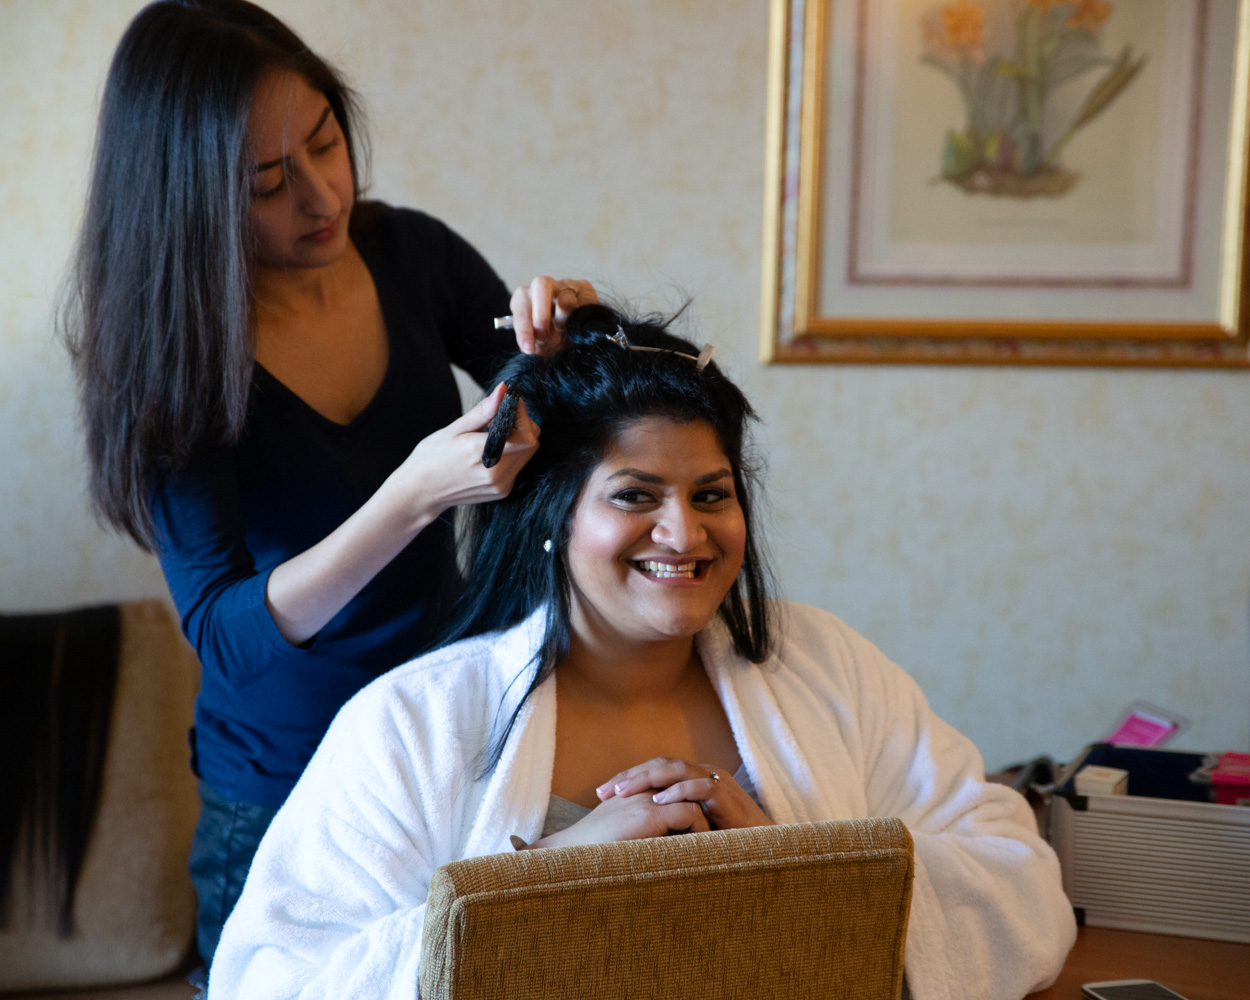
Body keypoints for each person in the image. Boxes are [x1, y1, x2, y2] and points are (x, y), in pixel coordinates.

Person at [208, 305, 1077, 1000]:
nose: (683, 533)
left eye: (712, 495)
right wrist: (543, 883)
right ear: (554, 516)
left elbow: (1019, 881)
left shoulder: (826, 665)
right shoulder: (414, 723)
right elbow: (272, 979)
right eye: (635, 495)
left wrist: (798, 868)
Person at [61, 0, 595, 964]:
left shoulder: (412, 255)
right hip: (281, 791)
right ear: (188, 198)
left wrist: (567, 340)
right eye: (266, 181)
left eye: (325, 141)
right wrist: (409, 498)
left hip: (446, 755)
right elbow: (226, 635)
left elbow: (545, 402)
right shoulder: (176, 357)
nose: (321, 197)